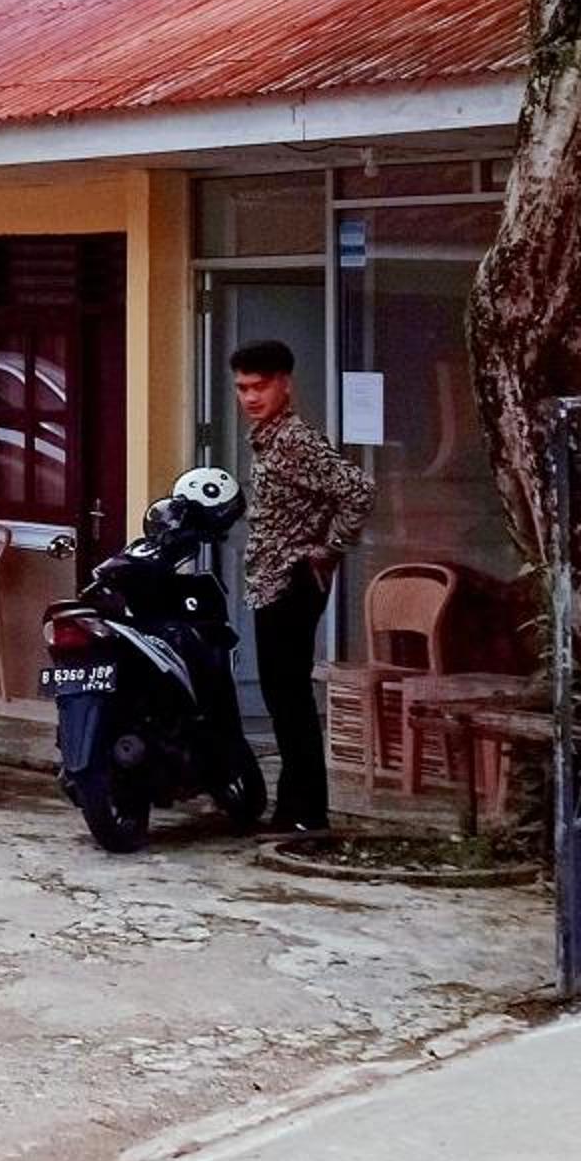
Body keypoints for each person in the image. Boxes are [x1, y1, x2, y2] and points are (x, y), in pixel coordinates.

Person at [232, 338, 374, 833]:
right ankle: (293, 808)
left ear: (285, 385)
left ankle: (307, 812)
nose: (250, 397)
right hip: (269, 580)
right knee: (282, 696)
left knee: (289, 697)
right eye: (242, 388)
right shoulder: (267, 438)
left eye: (259, 386)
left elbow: (359, 490)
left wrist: (329, 549)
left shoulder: (295, 440)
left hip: (292, 579)